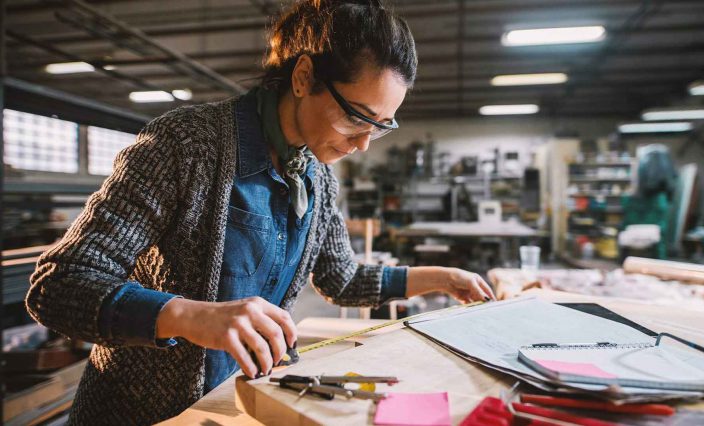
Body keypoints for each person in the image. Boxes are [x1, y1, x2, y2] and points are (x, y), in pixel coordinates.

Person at [25, 0, 495, 423]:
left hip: (231, 406)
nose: (363, 144)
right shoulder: (187, 145)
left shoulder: (316, 175)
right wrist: (189, 316)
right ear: (304, 76)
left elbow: (342, 280)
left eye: (381, 125)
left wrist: (441, 277)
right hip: (136, 413)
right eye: (356, 117)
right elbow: (59, 285)